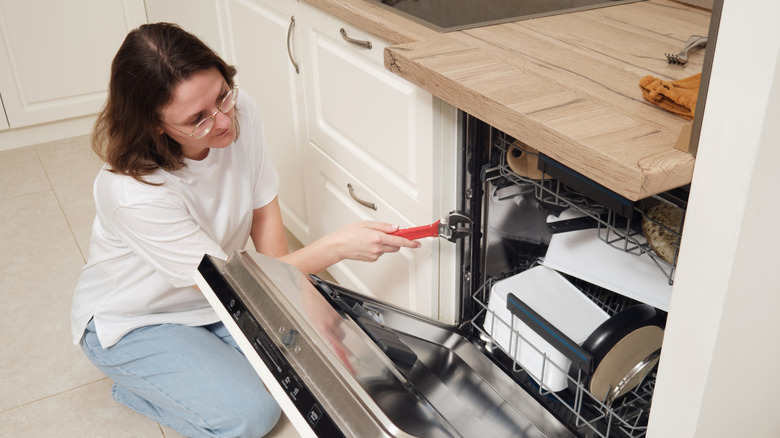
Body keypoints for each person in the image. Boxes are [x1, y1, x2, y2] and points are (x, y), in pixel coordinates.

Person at [71, 22, 420, 438]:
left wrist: (294, 304)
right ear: (155, 126)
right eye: (197, 119)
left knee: (319, 373)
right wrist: (338, 246)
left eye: (222, 96)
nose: (222, 123)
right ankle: (140, 388)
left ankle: (202, 366)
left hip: (221, 296)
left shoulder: (240, 111)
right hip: (141, 317)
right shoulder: (133, 192)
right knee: (252, 414)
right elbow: (232, 283)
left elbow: (264, 216)